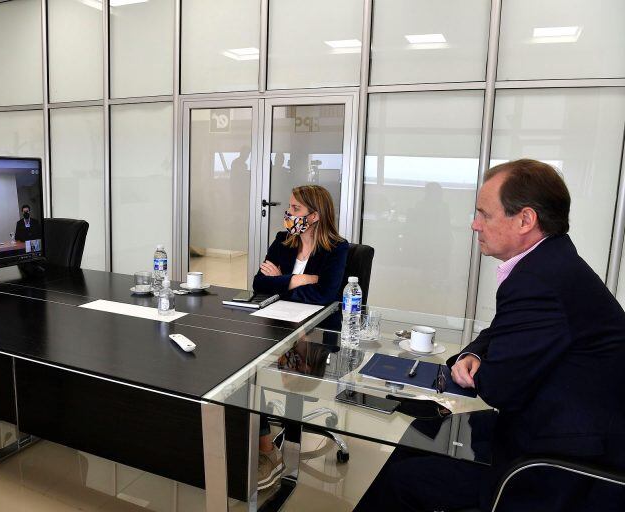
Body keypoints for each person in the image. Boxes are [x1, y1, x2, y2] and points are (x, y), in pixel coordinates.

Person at [358, 159, 625, 511]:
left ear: (525, 220)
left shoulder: (540, 281)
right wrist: (475, 353)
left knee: (403, 479)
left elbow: (499, 386)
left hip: (561, 465)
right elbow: (501, 330)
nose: (474, 224)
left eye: (484, 214)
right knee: (419, 435)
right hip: (554, 427)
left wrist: (484, 365)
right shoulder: (550, 262)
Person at [253, 184, 349, 490]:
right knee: (246, 371)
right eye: (289, 209)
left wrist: (280, 281)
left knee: (272, 373)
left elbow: (325, 296)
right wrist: (298, 279)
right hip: (277, 324)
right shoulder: (284, 240)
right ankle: (263, 443)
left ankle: (267, 449)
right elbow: (258, 283)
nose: (288, 215)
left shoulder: (337, 249)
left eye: (295, 210)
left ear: (315, 216)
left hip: (317, 331)